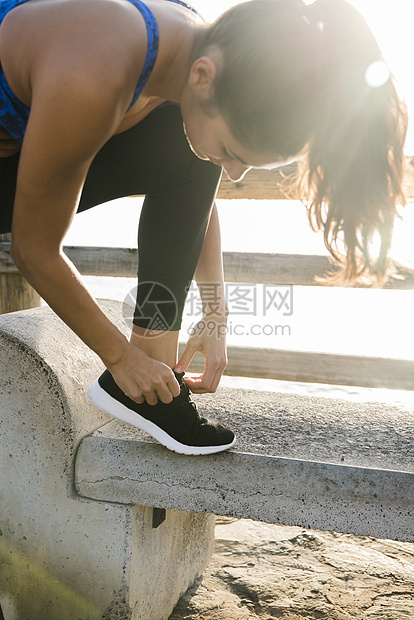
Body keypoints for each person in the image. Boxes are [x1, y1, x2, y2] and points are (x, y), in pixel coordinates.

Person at [0, 0, 407, 455]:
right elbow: (33, 249)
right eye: (233, 151)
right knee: (182, 146)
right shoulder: (96, 67)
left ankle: (157, 380)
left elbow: (194, 178)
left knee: (185, 152)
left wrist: (216, 313)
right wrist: (118, 357)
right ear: (203, 77)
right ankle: (137, 376)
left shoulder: (199, 49)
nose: (233, 174)